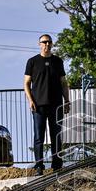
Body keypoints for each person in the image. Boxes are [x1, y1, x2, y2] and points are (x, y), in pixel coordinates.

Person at [23, 34, 70, 176]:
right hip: (38, 106)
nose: (47, 44)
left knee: (56, 135)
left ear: (52, 44)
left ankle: (57, 165)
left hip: (56, 105)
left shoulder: (58, 61)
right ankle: (39, 166)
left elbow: (63, 83)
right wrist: (30, 100)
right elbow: (26, 83)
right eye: (44, 42)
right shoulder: (32, 62)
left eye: (49, 42)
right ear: (39, 44)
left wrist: (67, 100)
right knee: (39, 136)